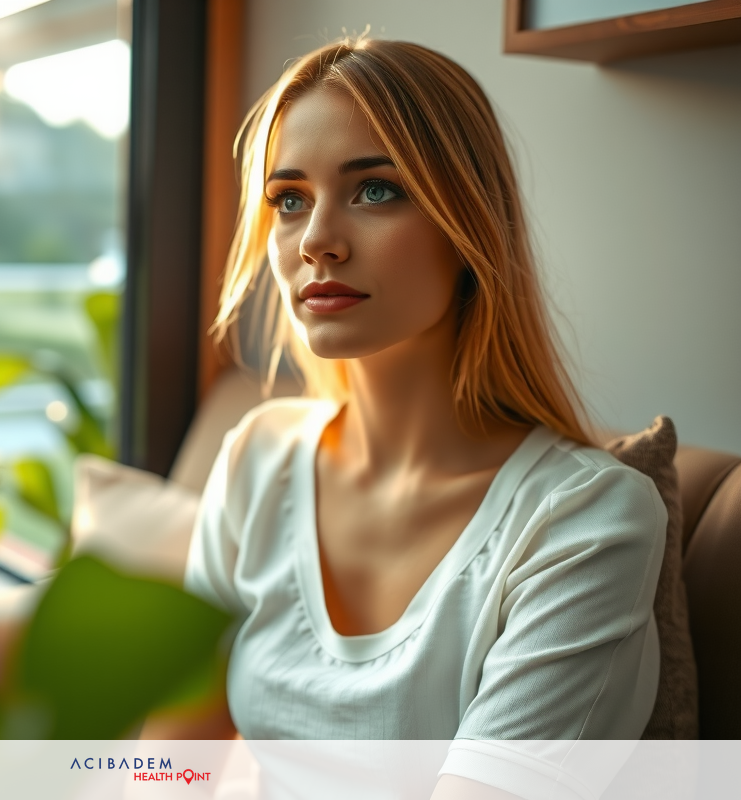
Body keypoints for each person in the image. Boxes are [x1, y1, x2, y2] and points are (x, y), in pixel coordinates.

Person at [173, 37, 665, 798]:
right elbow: (170, 765)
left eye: (376, 191)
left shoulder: (584, 521)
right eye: (289, 200)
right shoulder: (255, 458)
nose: (317, 242)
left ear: (465, 221)